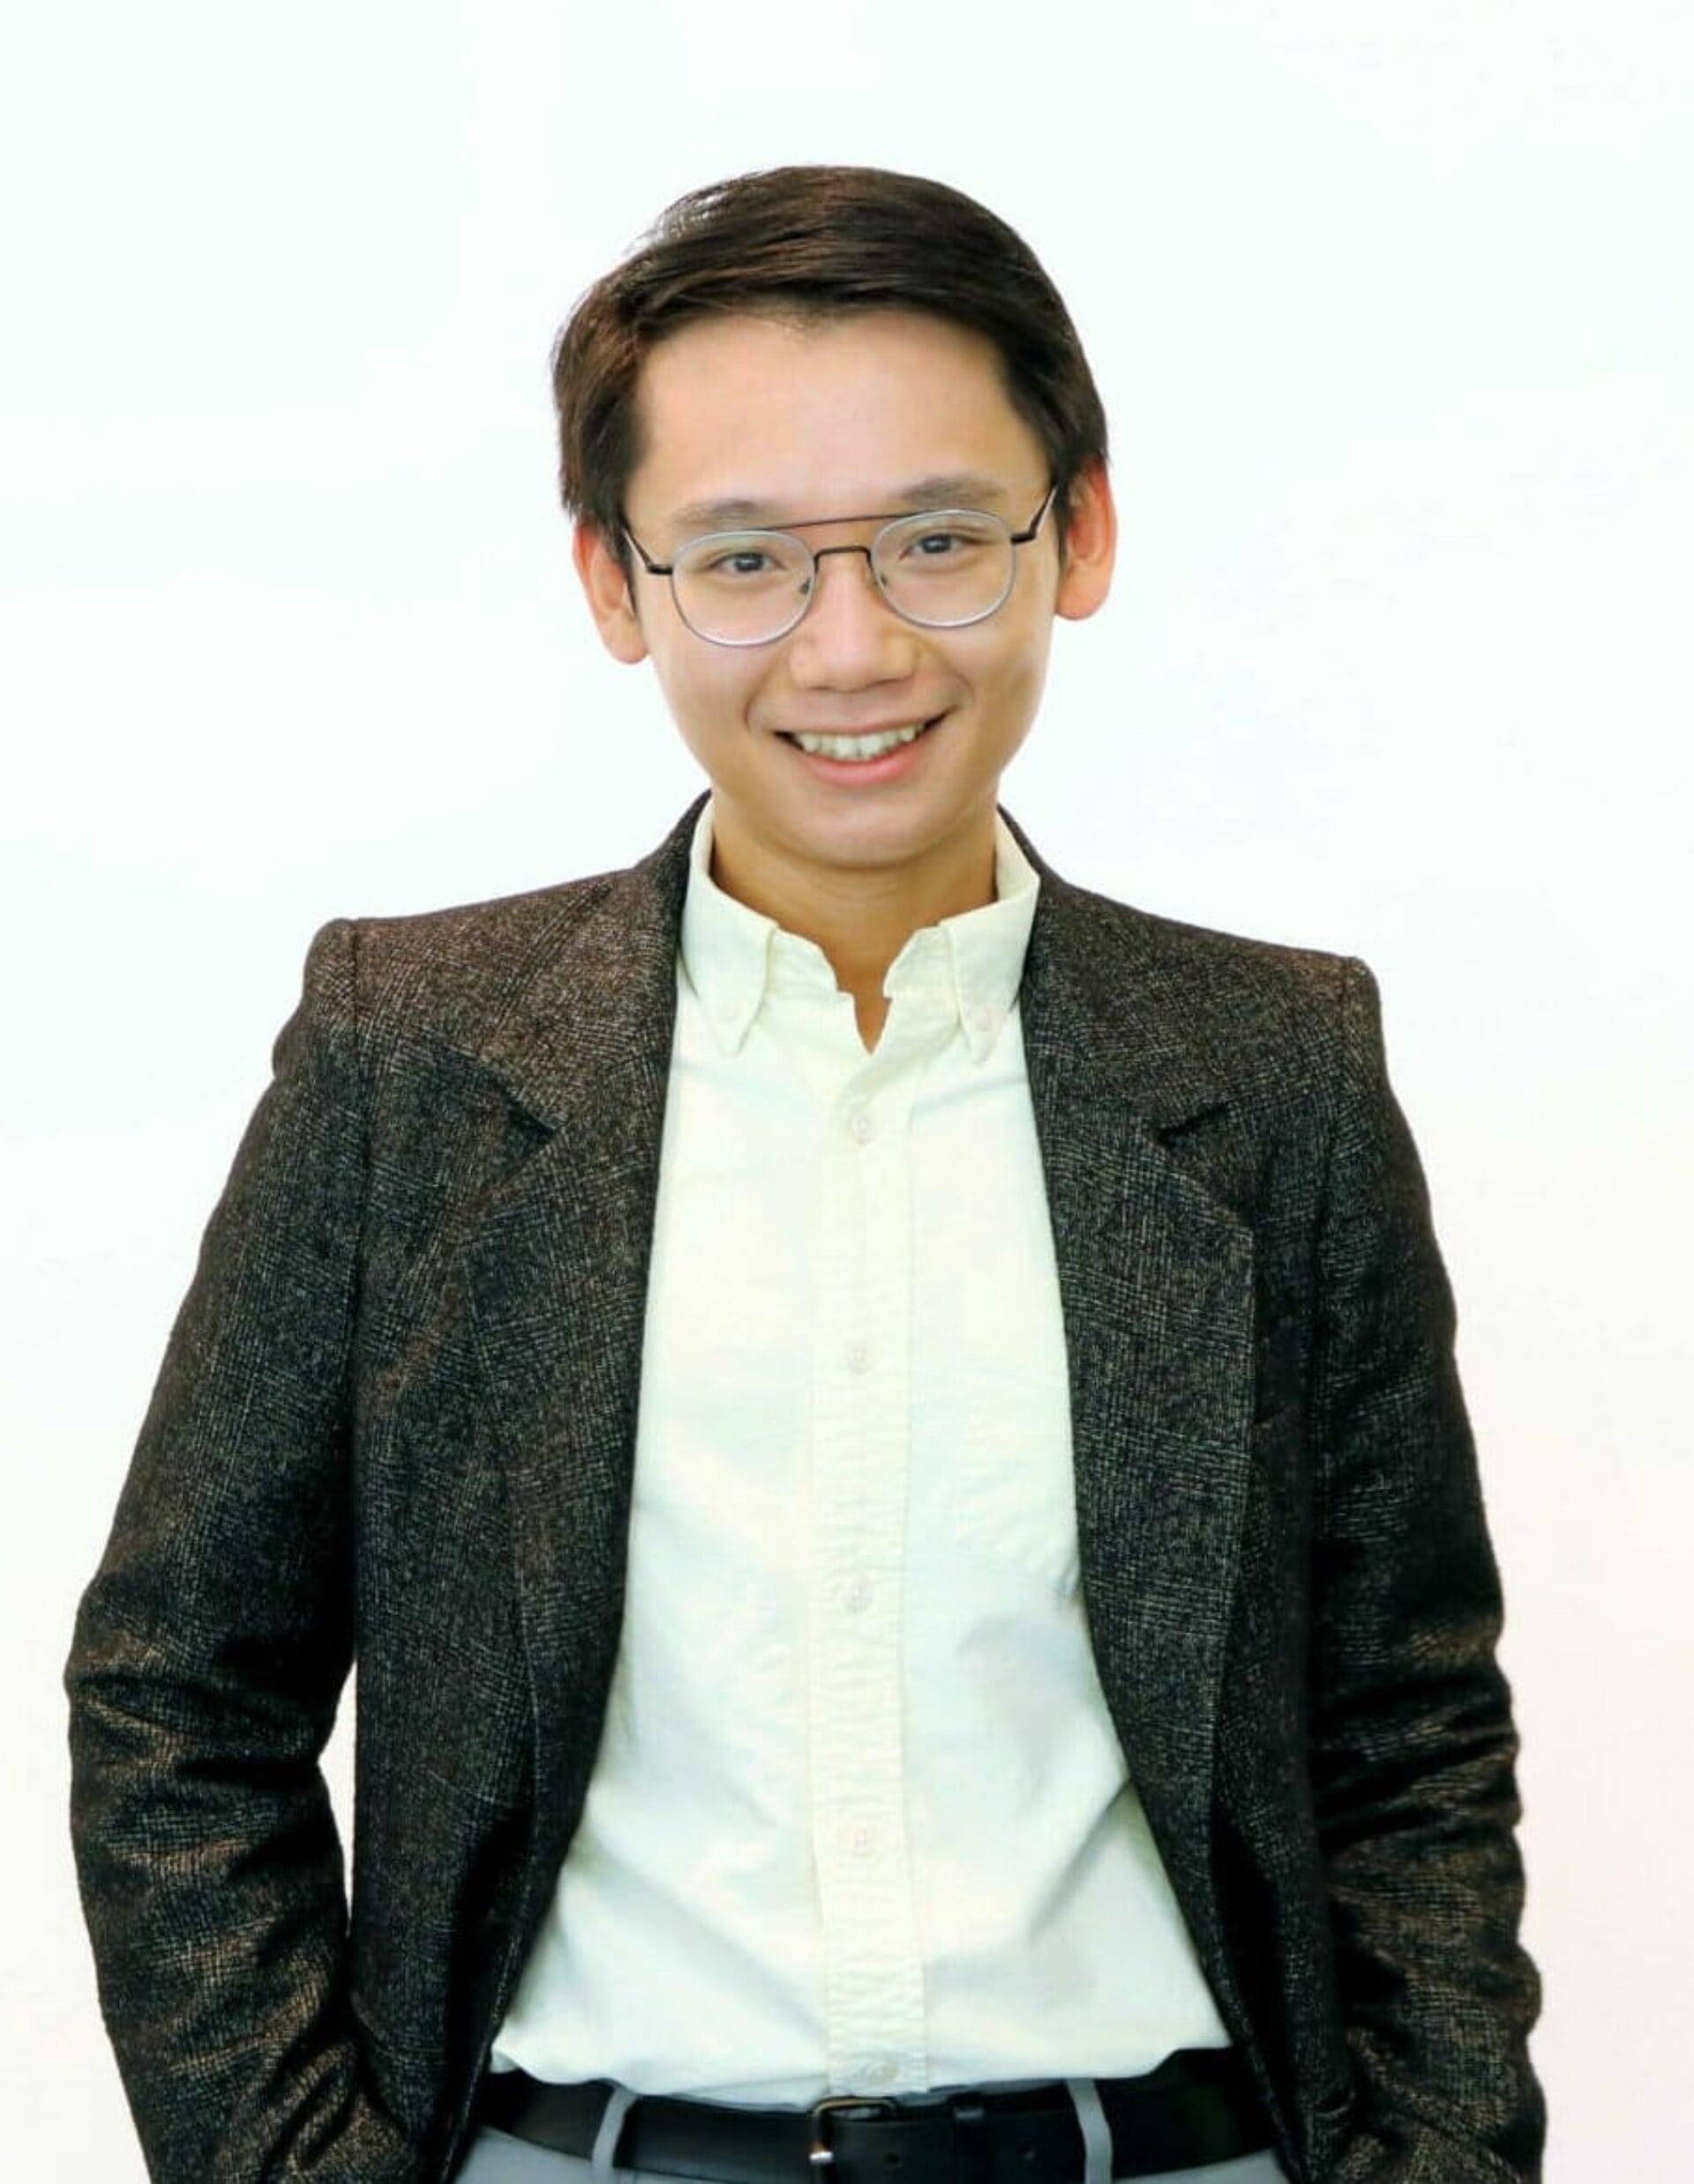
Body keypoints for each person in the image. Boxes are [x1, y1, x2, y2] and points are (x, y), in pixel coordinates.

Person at [66, 166, 1544, 2184]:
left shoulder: (1273, 1067)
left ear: (1077, 533)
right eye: (745, 558)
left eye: (938, 539)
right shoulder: (411, 1056)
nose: (850, 648)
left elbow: (1408, 1723)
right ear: (615, 583)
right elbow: (178, 1694)